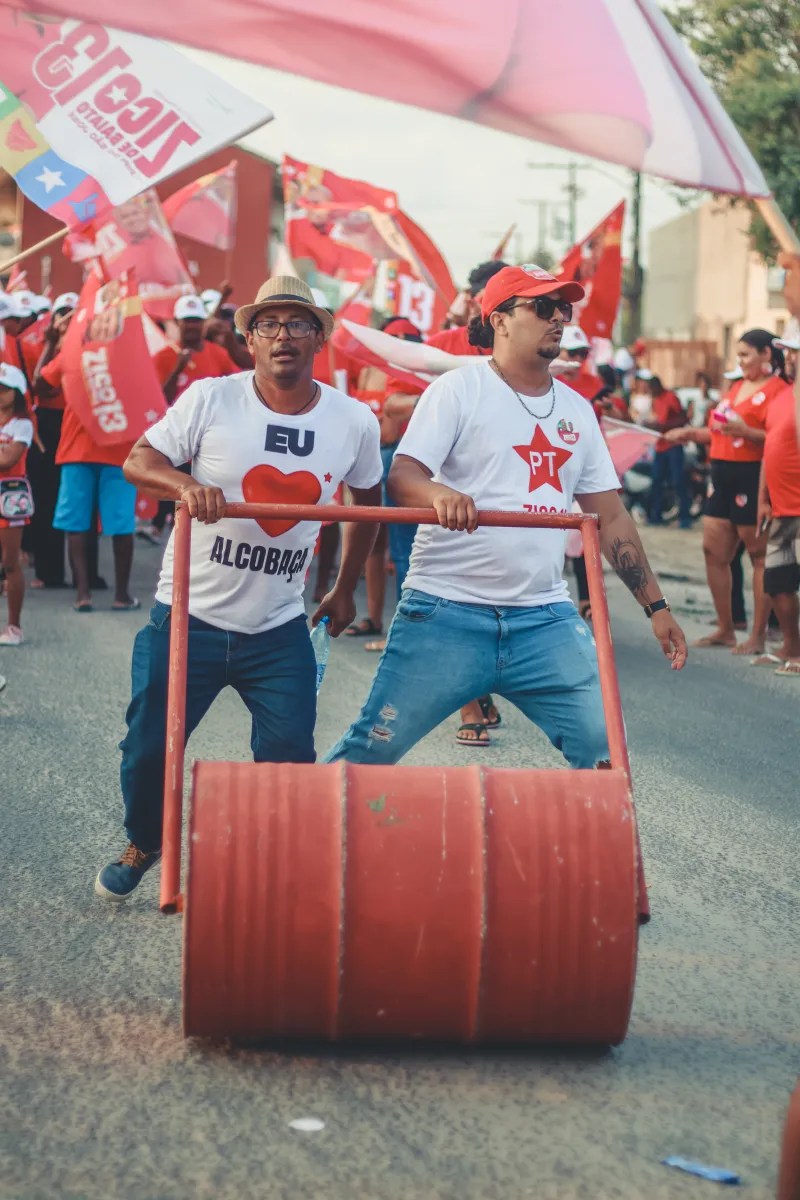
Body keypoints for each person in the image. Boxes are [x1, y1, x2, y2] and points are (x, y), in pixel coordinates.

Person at [325, 264, 687, 773]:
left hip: (543, 619)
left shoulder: (578, 411)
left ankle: (592, 853)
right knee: (370, 751)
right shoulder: (457, 390)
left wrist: (657, 606)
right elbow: (404, 475)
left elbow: (610, 516)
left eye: (563, 308)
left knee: (606, 751)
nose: (558, 319)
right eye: (542, 307)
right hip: (445, 610)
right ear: (498, 319)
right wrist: (440, 494)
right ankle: (292, 841)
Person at [95, 277, 383, 901]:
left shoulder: (354, 419)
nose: (284, 336)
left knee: (287, 755)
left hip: (277, 627)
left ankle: (272, 867)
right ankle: (145, 840)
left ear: (320, 336)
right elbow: (138, 461)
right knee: (148, 748)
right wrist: (184, 488)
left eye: (299, 324)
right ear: (249, 338)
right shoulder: (210, 399)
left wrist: (344, 588)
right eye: (269, 325)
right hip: (187, 618)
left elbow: (368, 499)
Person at [667, 329, 787, 653]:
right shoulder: (736, 387)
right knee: (713, 551)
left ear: (766, 355)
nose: (741, 361)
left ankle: (758, 635)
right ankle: (726, 627)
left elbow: (781, 438)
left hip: (752, 475)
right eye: (739, 355)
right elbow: (719, 431)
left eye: (746, 354)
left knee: (758, 556)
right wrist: (691, 433)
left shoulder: (780, 391)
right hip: (720, 473)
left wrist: (746, 431)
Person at [36, 319, 139, 614]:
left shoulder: (72, 355)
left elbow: (39, 385)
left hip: (82, 452)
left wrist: (49, 343)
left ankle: (84, 595)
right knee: (119, 526)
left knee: (79, 526)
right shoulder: (127, 355)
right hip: (115, 451)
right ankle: (120, 596)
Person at [346, 316, 424, 650]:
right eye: (396, 337)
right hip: (369, 459)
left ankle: (406, 631)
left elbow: (392, 426)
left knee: (404, 548)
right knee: (370, 542)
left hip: (398, 458)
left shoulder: (415, 373)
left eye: (410, 337)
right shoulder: (366, 370)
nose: (402, 341)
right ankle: (375, 618)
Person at [753, 332, 800, 674]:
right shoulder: (783, 396)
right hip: (781, 509)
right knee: (777, 581)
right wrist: (763, 500)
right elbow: (770, 451)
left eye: (794, 351)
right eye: (788, 351)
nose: (789, 357)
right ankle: (791, 646)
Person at [28, 293, 79, 589]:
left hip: (76, 424)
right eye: (62, 314)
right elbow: (40, 388)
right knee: (47, 499)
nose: (67, 320)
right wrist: (50, 344)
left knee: (75, 504)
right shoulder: (39, 348)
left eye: (73, 314)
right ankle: (49, 572)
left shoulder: (86, 349)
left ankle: (87, 576)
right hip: (47, 424)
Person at [0, 364, 33, 645]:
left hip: (10, 495)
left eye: (4, 389)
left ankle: (14, 626)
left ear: (17, 393)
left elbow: (8, 460)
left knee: (10, 561)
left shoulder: (23, 424)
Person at [425, 260, 508, 355]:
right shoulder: (439, 346)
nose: (500, 308)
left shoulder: (526, 348)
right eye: (489, 299)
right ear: (471, 304)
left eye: (509, 300)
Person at [642, 375, 691, 528]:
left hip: (674, 445)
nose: (651, 393)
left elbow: (683, 419)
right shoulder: (655, 400)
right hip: (660, 445)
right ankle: (656, 516)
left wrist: (663, 427)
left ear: (657, 386)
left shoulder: (671, 397)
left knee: (678, 481)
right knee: (656, 481)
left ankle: (685, 517)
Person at [558, 325, 601, 400]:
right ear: (557, 351)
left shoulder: (594, 383)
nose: (578, 358)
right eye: (572, 352)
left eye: (583, 353)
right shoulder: (547, 383)